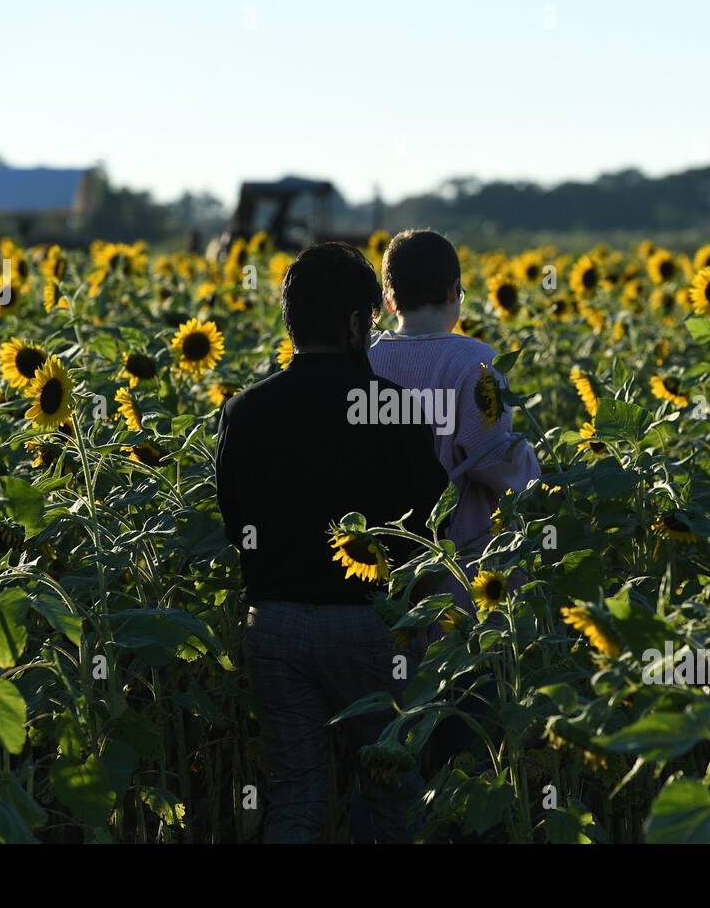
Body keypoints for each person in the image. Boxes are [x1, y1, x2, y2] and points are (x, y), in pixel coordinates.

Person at [215, 241, 448, 843]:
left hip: (277, 625)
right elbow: (429, 525)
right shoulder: (394, 409)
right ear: (353, 323)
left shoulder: (247, 412)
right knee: (393, 796)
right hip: (373, 629)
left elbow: (235, 522)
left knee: (295, 800)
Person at [369, 229, 540, 604]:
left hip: (381, 556)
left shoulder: (366, 360)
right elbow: (492, 460)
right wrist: (536, 469)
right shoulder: (474, 362)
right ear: (452, 293)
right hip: (461, 565)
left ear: (389, 300)